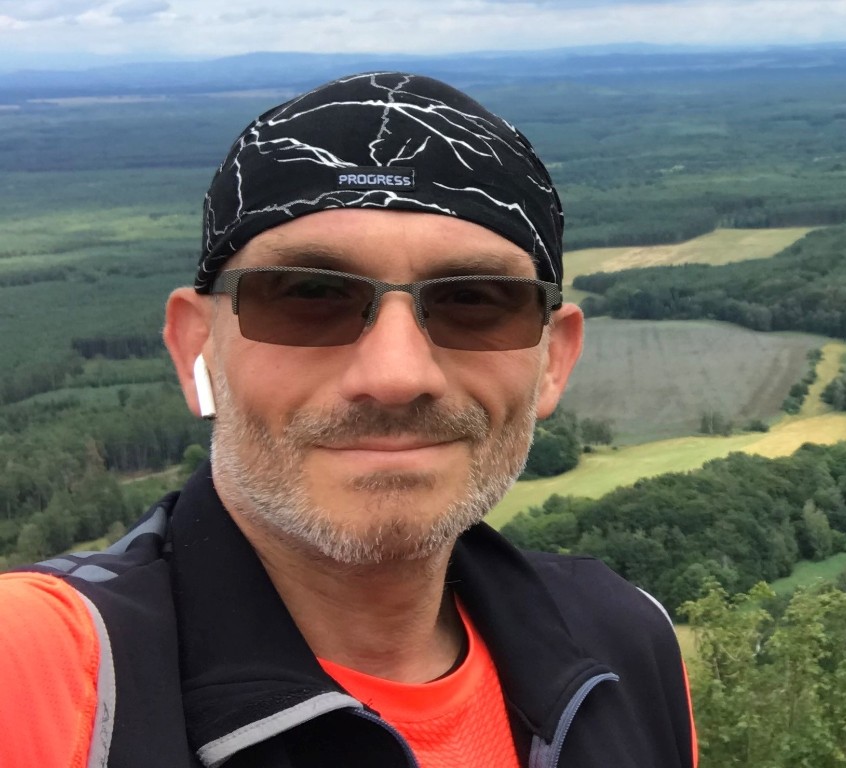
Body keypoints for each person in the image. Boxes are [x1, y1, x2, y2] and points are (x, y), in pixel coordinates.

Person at [0, 71, 697, 768]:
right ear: (195, 349)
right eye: (307, 295)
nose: (396, 376)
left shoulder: (625, 646)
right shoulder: (47, 670)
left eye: (476, 301)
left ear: (553, 361)